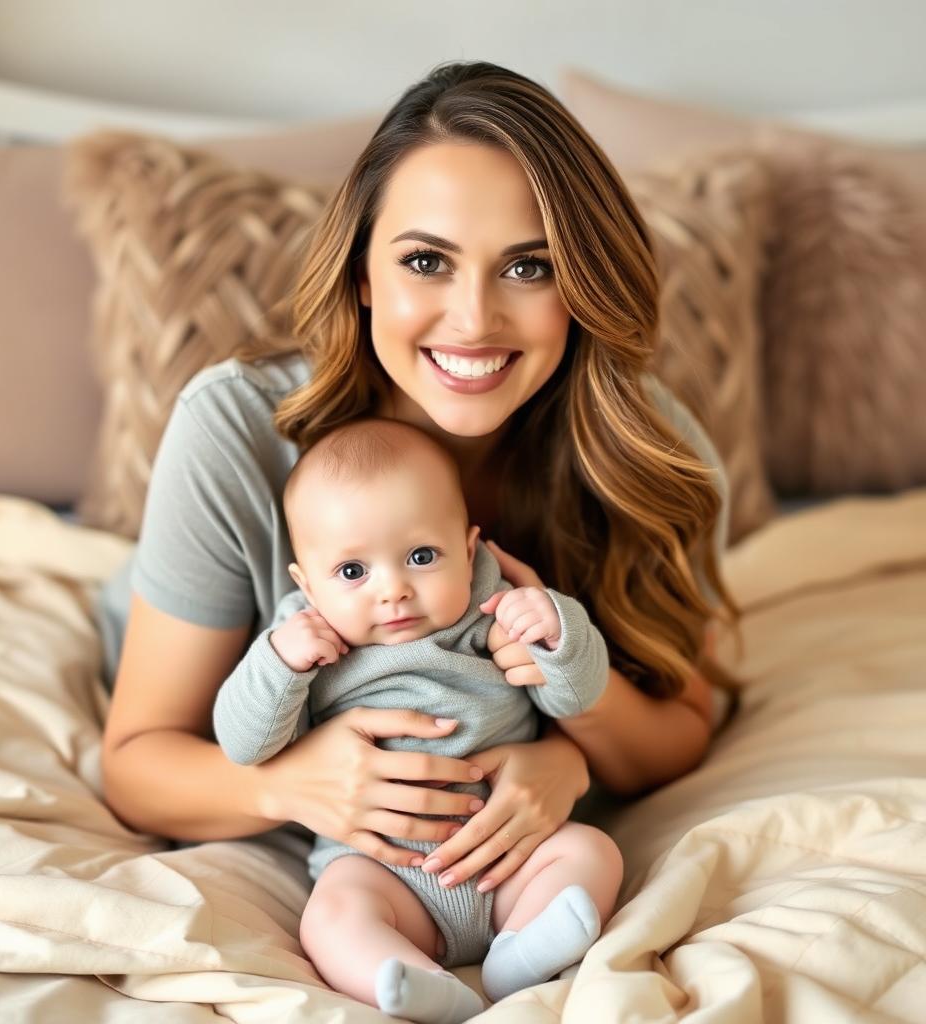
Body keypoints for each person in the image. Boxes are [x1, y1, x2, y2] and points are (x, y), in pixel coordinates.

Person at [98, 57, 741, 1003]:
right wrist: (291, 788)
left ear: (584, 284)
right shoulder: (237, 428)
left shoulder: (652, 449)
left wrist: (567, 749)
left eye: (530, 266)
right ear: (362, 274)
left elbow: (685, 723)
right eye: (426, 261)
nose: (473, 320)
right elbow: (139, 763)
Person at [211, 416, 624, 1019]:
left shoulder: (493, 611)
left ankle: (522, 953)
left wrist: (557, 630)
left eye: (422, 556)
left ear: (468, 547)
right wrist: (279, 664)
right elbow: (244, 744)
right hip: (386, 873)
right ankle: (414, 980)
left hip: (510, 857)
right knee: (332, 914)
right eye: (353, 572)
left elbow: (576, 698)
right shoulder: (305, 645)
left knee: (592, 852)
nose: (394, 590)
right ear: (307, 582)